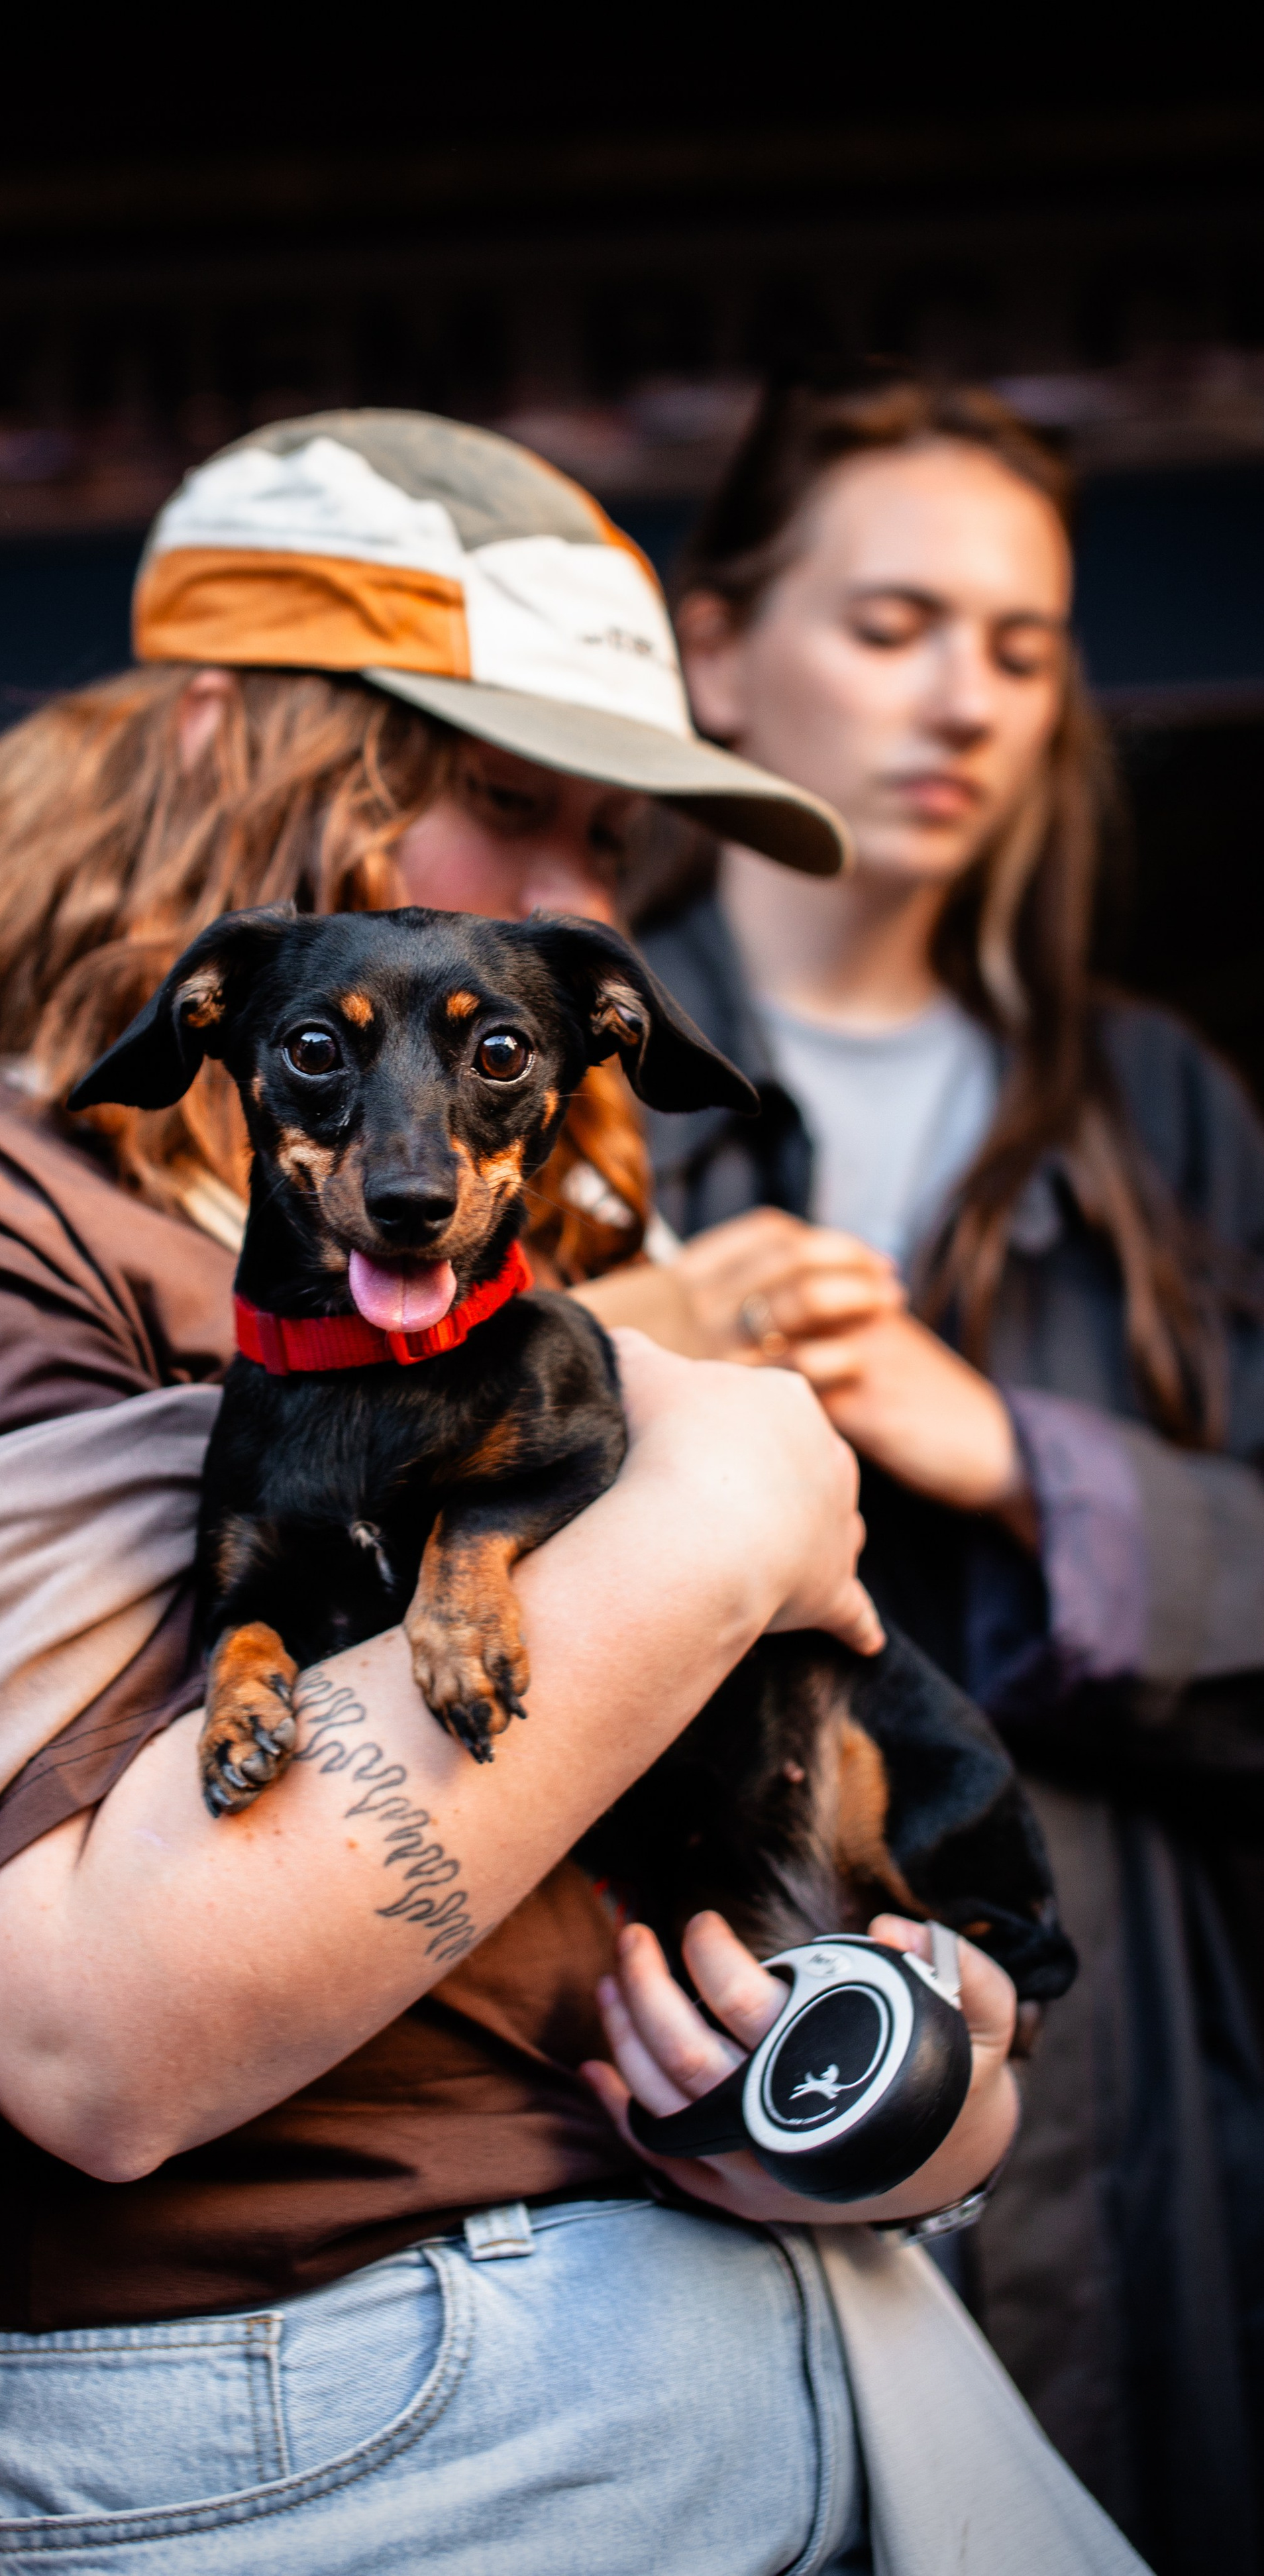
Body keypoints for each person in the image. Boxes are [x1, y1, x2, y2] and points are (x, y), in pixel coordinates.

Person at [0, 413, 1139, 2576]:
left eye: (608, 837)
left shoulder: (502, 1314)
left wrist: (897, 2093)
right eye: (507, 798)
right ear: (227, 745)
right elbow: (90, 2036)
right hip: (346, 2450)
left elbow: (684, 1933)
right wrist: (715, 1520)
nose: (568, 902)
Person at [621, 365, 1264, 2576]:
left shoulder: (1160, 1112)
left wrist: (1009, 1454)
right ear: (718, 651)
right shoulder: (551, 1060)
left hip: (1120, 2073)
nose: (964, 701)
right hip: (654, 2040)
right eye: (893, 626)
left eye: (1018, 644)